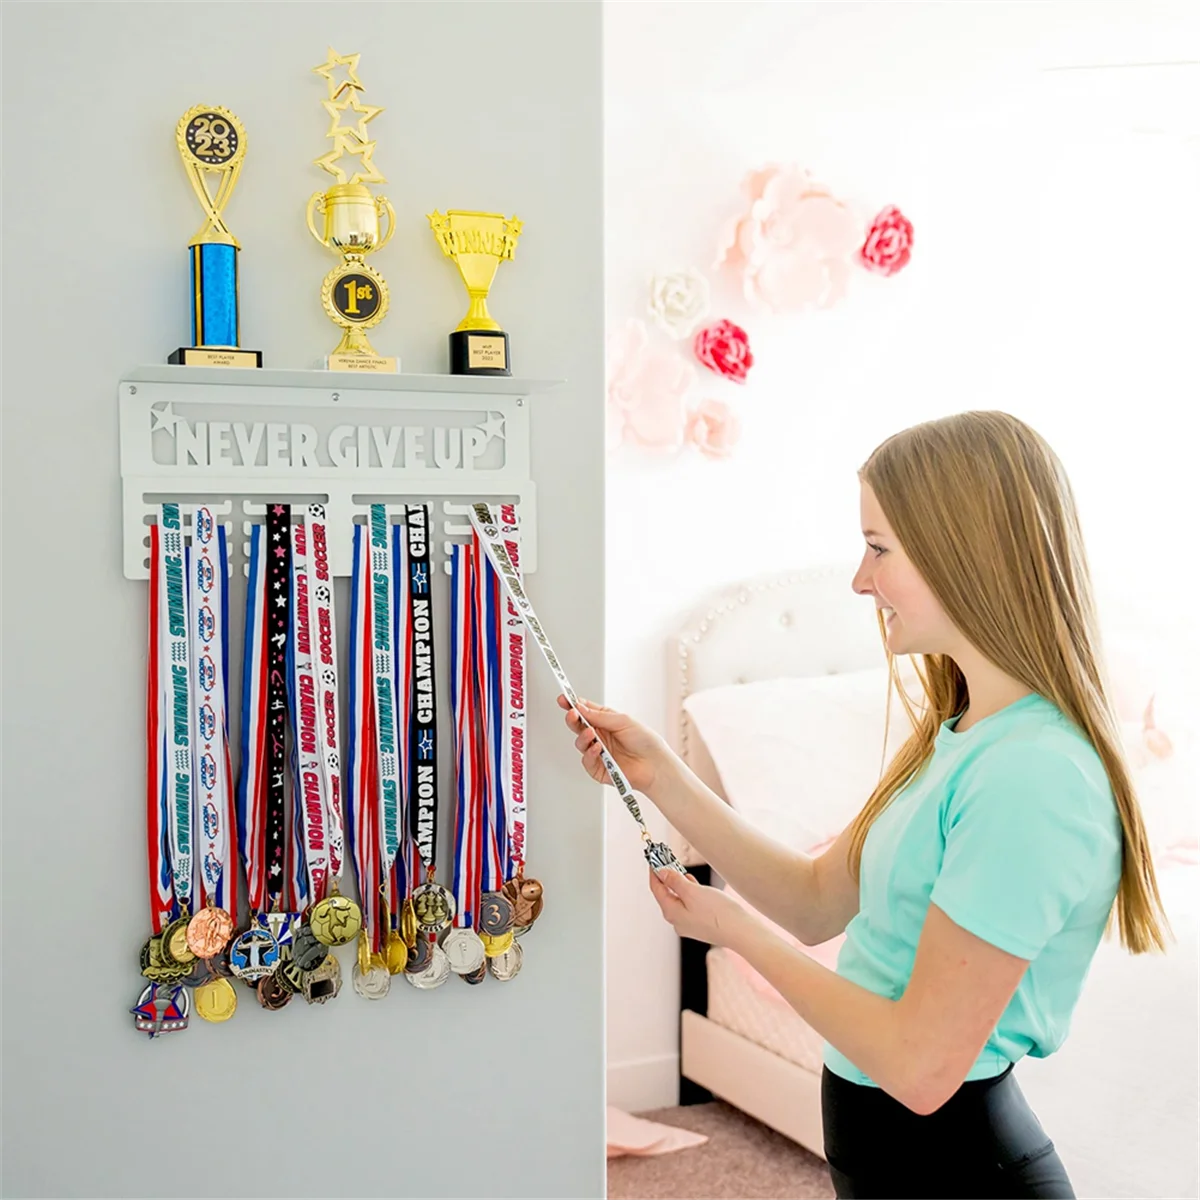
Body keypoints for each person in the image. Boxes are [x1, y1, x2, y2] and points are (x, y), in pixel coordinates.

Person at [559, 411, 1170, 1199]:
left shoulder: (1034, 776)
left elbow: (920, 1069)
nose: (858, 579)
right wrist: (661, 776)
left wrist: (734, 930)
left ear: (965, 550)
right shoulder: (959, 735)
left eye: (878, 548)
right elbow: (816, 903)